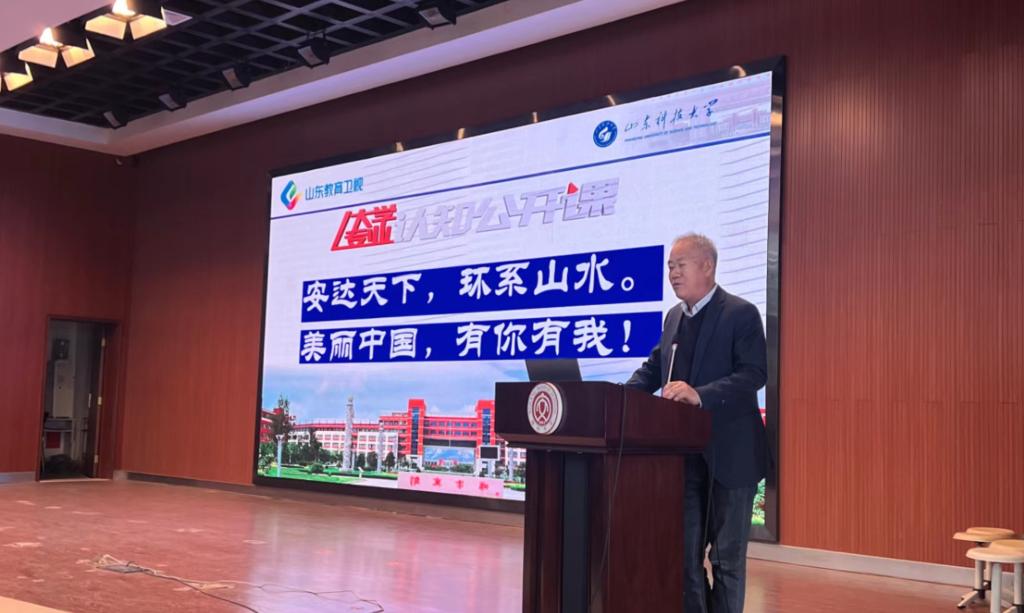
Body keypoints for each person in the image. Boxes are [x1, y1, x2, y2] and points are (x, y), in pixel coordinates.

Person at [626, 233, 768, 613]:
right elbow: (654, 369)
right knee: (682, 557)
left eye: (680, 265)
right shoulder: (674, 318)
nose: (672, 273)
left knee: (726, 562)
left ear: (707, 266)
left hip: (731, 458)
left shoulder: (740, 313)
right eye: (670, 267)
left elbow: (754, 374)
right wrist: (618, 398)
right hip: (686, 460)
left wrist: (700, 394)